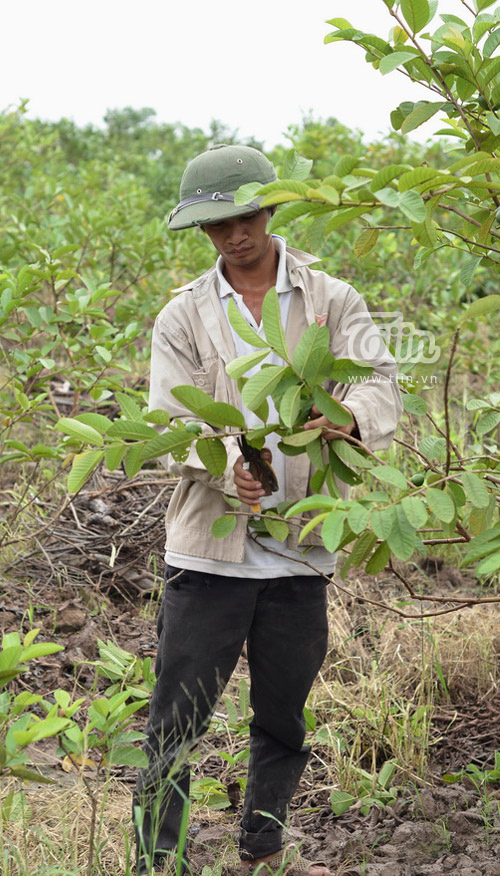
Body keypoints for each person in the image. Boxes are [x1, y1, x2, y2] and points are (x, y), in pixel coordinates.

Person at [134, 144, 402, 876]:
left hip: (302, 545)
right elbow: (172, 422)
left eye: (242, 217)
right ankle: (159, 861)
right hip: (209, 553)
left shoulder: (331, 299)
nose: (232, 236)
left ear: (270, 207)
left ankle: (265, 850)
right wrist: (226, 469)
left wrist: (349, 416)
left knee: (282, 717)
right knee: (176, 722)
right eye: (214, 226)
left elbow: (382, 380)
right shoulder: (183, 315)